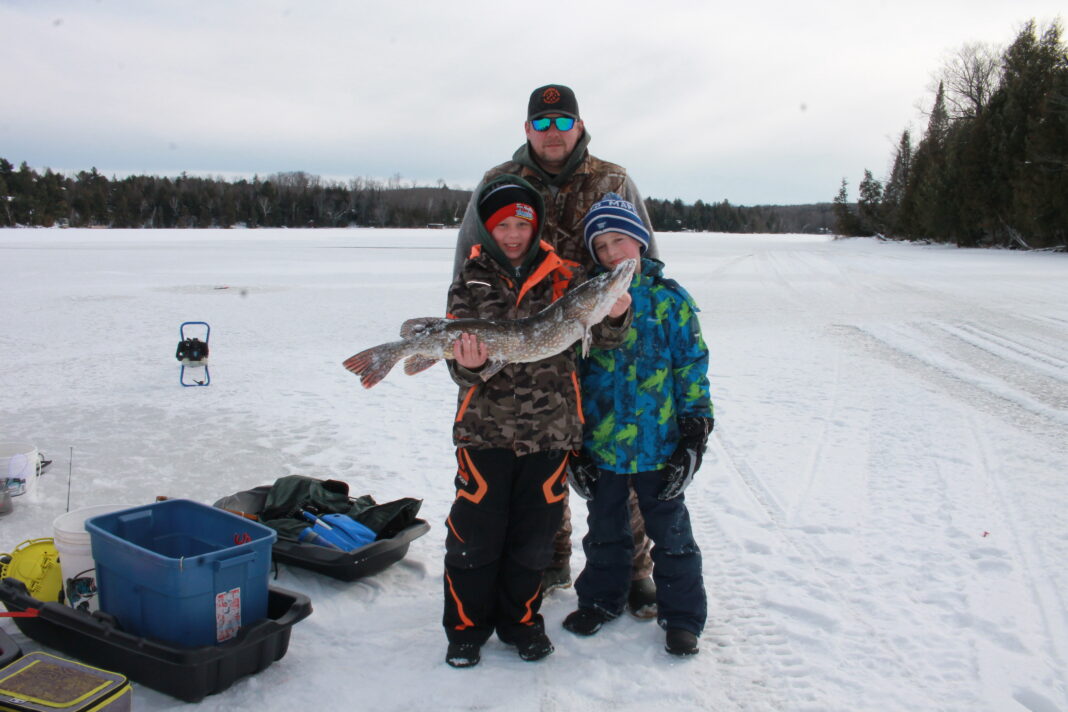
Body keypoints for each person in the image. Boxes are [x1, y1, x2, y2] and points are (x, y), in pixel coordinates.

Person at [453, 83, 658, 616]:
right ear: (527, 129)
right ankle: (548, 561)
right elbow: (468, 261)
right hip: (525, 347)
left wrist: (632, 318)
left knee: (617, 456)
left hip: (603, 336)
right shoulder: (501, 182)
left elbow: (645, 259)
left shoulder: (613, 179)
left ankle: (635, 569)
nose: (552, 133)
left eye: (561, 122)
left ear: (578, 125)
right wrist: (467, 332)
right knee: (541, 456)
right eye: (541, 124)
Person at [442, 175, 632, 668]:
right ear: (487, 228)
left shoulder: (566, 277)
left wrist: (612, 317)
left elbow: (602, 341)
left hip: (551, 431)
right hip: (485, 432)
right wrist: (470, 361)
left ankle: (522, 623)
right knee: (475, 537)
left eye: (521, 224)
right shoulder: (471, 278)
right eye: (501, 224)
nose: (511, 233)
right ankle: (465, 629)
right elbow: (460, 369)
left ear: (536, 225)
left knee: (534, 540)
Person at [562, 192, 713, 657]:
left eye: (619, 240)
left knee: (671, 536)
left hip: (659, 445)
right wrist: (575, 445)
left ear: (641, 241)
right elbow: (571, 374)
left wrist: (693, 435)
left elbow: (692, 367)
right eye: (601, 246)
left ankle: (683, 616)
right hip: (603, 444)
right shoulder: (583, 301)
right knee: (605, 531)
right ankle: (601, 600)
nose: (610, 253)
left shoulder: (671, 302)